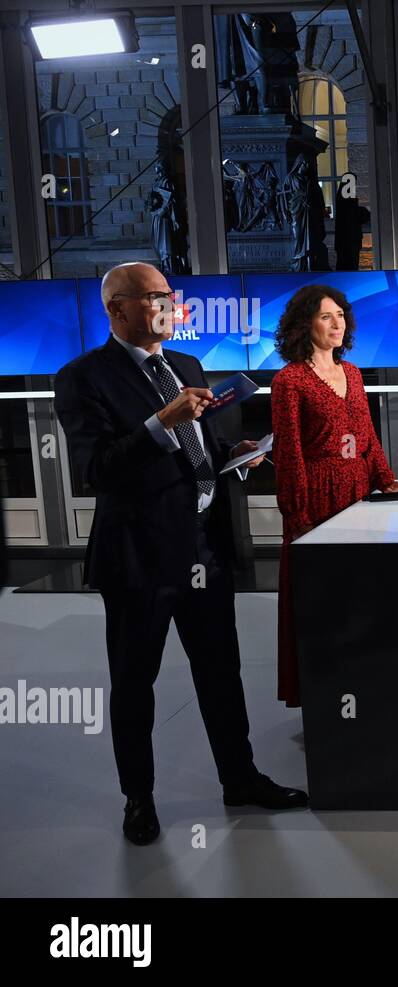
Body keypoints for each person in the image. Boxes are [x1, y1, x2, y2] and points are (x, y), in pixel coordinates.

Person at [53, 262, 308, 846]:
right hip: (139, 555)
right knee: (134, 681)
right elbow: (97, 470)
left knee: (221, 672)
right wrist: (159, 422)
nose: (168, 306)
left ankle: (239, 778)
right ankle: (138, 799)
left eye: (169, 296)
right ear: (116, 308)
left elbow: (199, 447)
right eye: (153, 298)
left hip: (204, 546)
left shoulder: (187, 366)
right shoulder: (82, 378)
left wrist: (232, 453)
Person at [271, 285, 398, 706]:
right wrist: (296, 515)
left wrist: (385, 479)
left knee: (361, 593)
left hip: (358, 492)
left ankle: (363, 684)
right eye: (326, 316)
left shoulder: (351, 372)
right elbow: (289, 452)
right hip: (316, 496)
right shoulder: (289, 380)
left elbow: (367, 436)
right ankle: (325, 694)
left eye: (341, 316)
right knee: (322, 600)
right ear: (304, 324)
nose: (337, 324)